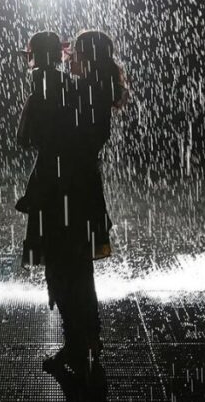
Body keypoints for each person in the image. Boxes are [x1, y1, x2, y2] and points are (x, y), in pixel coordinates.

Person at [16, 30, 126, 389]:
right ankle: (85, 342)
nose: (68, 57)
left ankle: (80, 344)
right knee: (77, 270)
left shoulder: (80, 91)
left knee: (64, 271)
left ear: (85, 56)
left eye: (74, 52)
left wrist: (44, 68)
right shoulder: (94, 90)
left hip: (61, 192)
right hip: (79, 191)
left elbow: (32, 136)